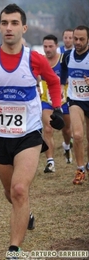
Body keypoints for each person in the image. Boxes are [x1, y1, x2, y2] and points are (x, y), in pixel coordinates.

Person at [0, 3, 64, 260]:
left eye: (14, 23)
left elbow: (53, 81)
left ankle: (14, 251)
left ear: (24, 27)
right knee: (11, 193)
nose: (9, 28)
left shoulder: (35, 59)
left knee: (19, 189)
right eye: (5, 23)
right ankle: (25, 213)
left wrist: (57, 108)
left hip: (28, 134)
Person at [60, 25, 89, 185]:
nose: (77, 42)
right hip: (75, 100)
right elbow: (63, 70)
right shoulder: (67, 56)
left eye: (81, 39)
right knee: (77, 135)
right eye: (75, 38)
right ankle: (80, 169)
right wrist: (61, 84)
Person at [40, 34, 73, 173]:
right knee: (48, 129)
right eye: (45, 46)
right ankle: (50, 162)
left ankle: (66, 145)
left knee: (66, 130)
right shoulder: (40, 61)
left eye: (50, 46)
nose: (47, 49)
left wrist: (66, 80)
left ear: (56, 46)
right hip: (47, 101)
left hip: (64, 101)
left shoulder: (63, 59)